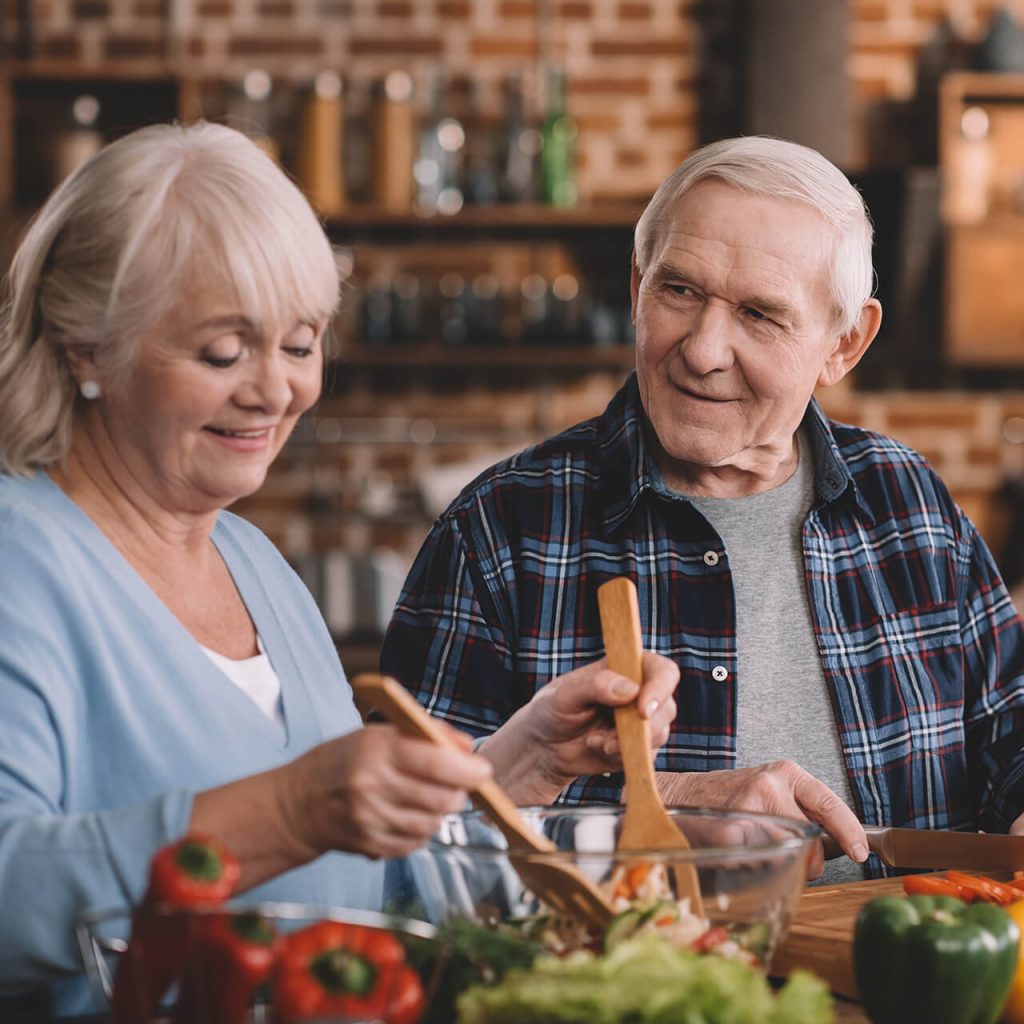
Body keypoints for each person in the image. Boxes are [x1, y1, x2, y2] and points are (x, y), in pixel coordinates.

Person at [0, 121, 677, 1017]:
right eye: (221, 351)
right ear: (86, 344)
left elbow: (355, 892)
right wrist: (288, 811)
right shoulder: (21, 560)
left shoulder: (255, 563)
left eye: (299, 343)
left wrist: (519, 763)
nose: (275, 390)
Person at [382, 135, 1024, 883]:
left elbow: (1011, 725)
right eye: (679, 291)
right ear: (636, 287)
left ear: (844, 344)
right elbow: (402, 847)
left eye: (759, 314)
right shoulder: (499, 529)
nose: (703, 350)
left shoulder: (908, 502)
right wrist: (654, 818)